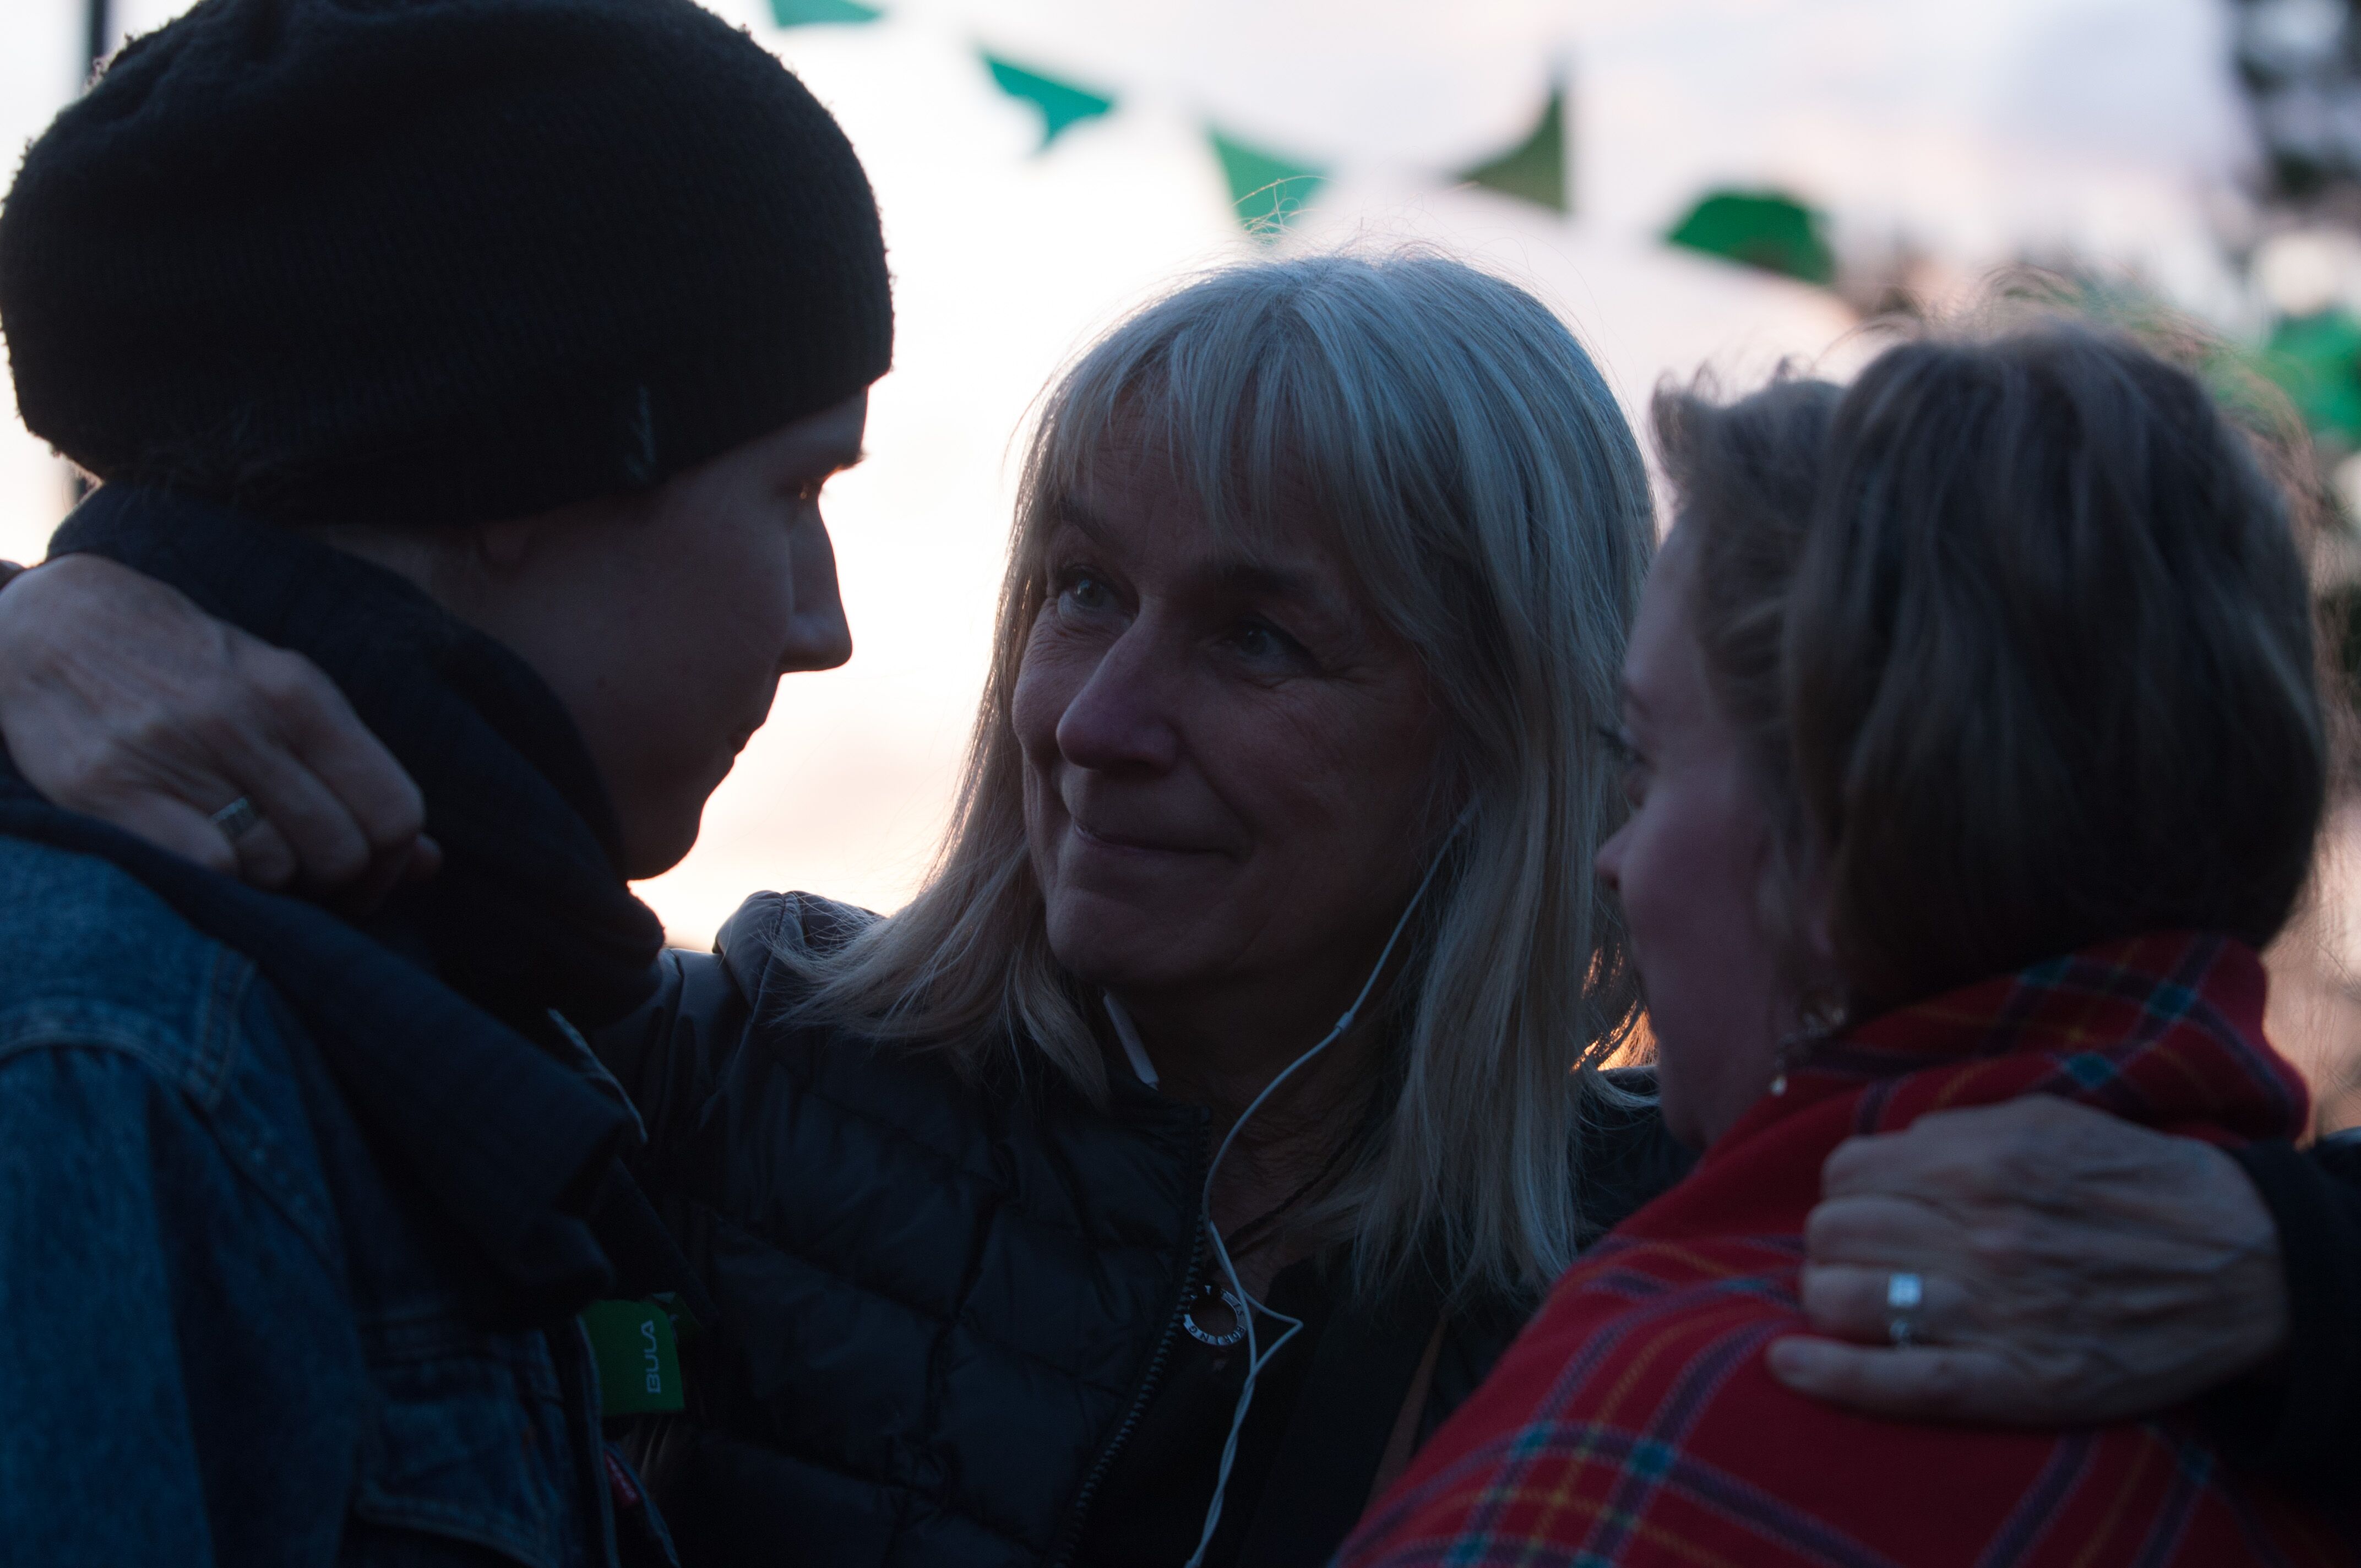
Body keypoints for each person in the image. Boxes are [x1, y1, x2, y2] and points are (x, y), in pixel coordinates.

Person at [8, 260, 2356, 1568]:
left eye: (1256, 634)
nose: (1098, 717)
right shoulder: (722, 1077)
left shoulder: (1719, 1242)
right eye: (1076, 590)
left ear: (1529, 729)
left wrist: (2293, 1272)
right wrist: (45, 627)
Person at [0, 0, 890, 1561]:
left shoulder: (417, 989)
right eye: (795, 488)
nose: (823, 625)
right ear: (522, 467)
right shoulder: (112, 1061)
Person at [1335, 326, 2357, 1566]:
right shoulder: (2291, 1410)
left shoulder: (1653, 1451)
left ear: (1832, 843)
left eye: (1644, 764)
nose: (1613, 856)